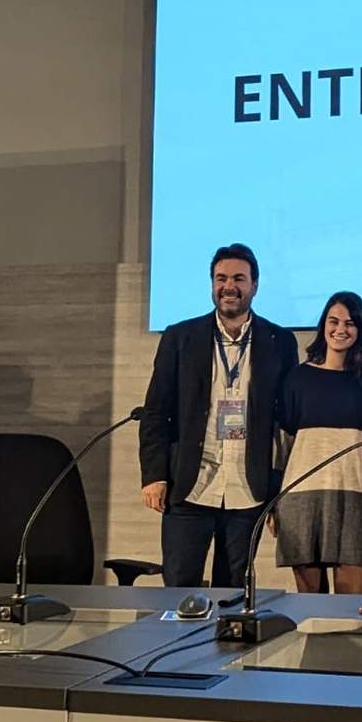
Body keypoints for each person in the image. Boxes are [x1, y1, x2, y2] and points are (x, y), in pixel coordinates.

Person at [139, 243, 298, 588]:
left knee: (233, 595)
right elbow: (155, 411)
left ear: (254, 285)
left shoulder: (280, 341)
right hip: (190, 486)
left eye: (239, 278)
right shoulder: (180, 337)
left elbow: (285, 423)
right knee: (179, 591)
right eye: (221, 278)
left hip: (247, 489)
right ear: (211, 284)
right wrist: (153, 475)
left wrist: (276, 490)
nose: (229, 286)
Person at [273, 291, 362, 594]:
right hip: (300, 498)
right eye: (333, 321)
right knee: (312, 610)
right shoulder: (297, 378)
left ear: (360, 331)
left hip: (353, 498)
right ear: (323, 326)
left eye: (350, 323)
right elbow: (281, 447)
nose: (340, 329)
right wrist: (271, 504)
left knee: (350, 610)